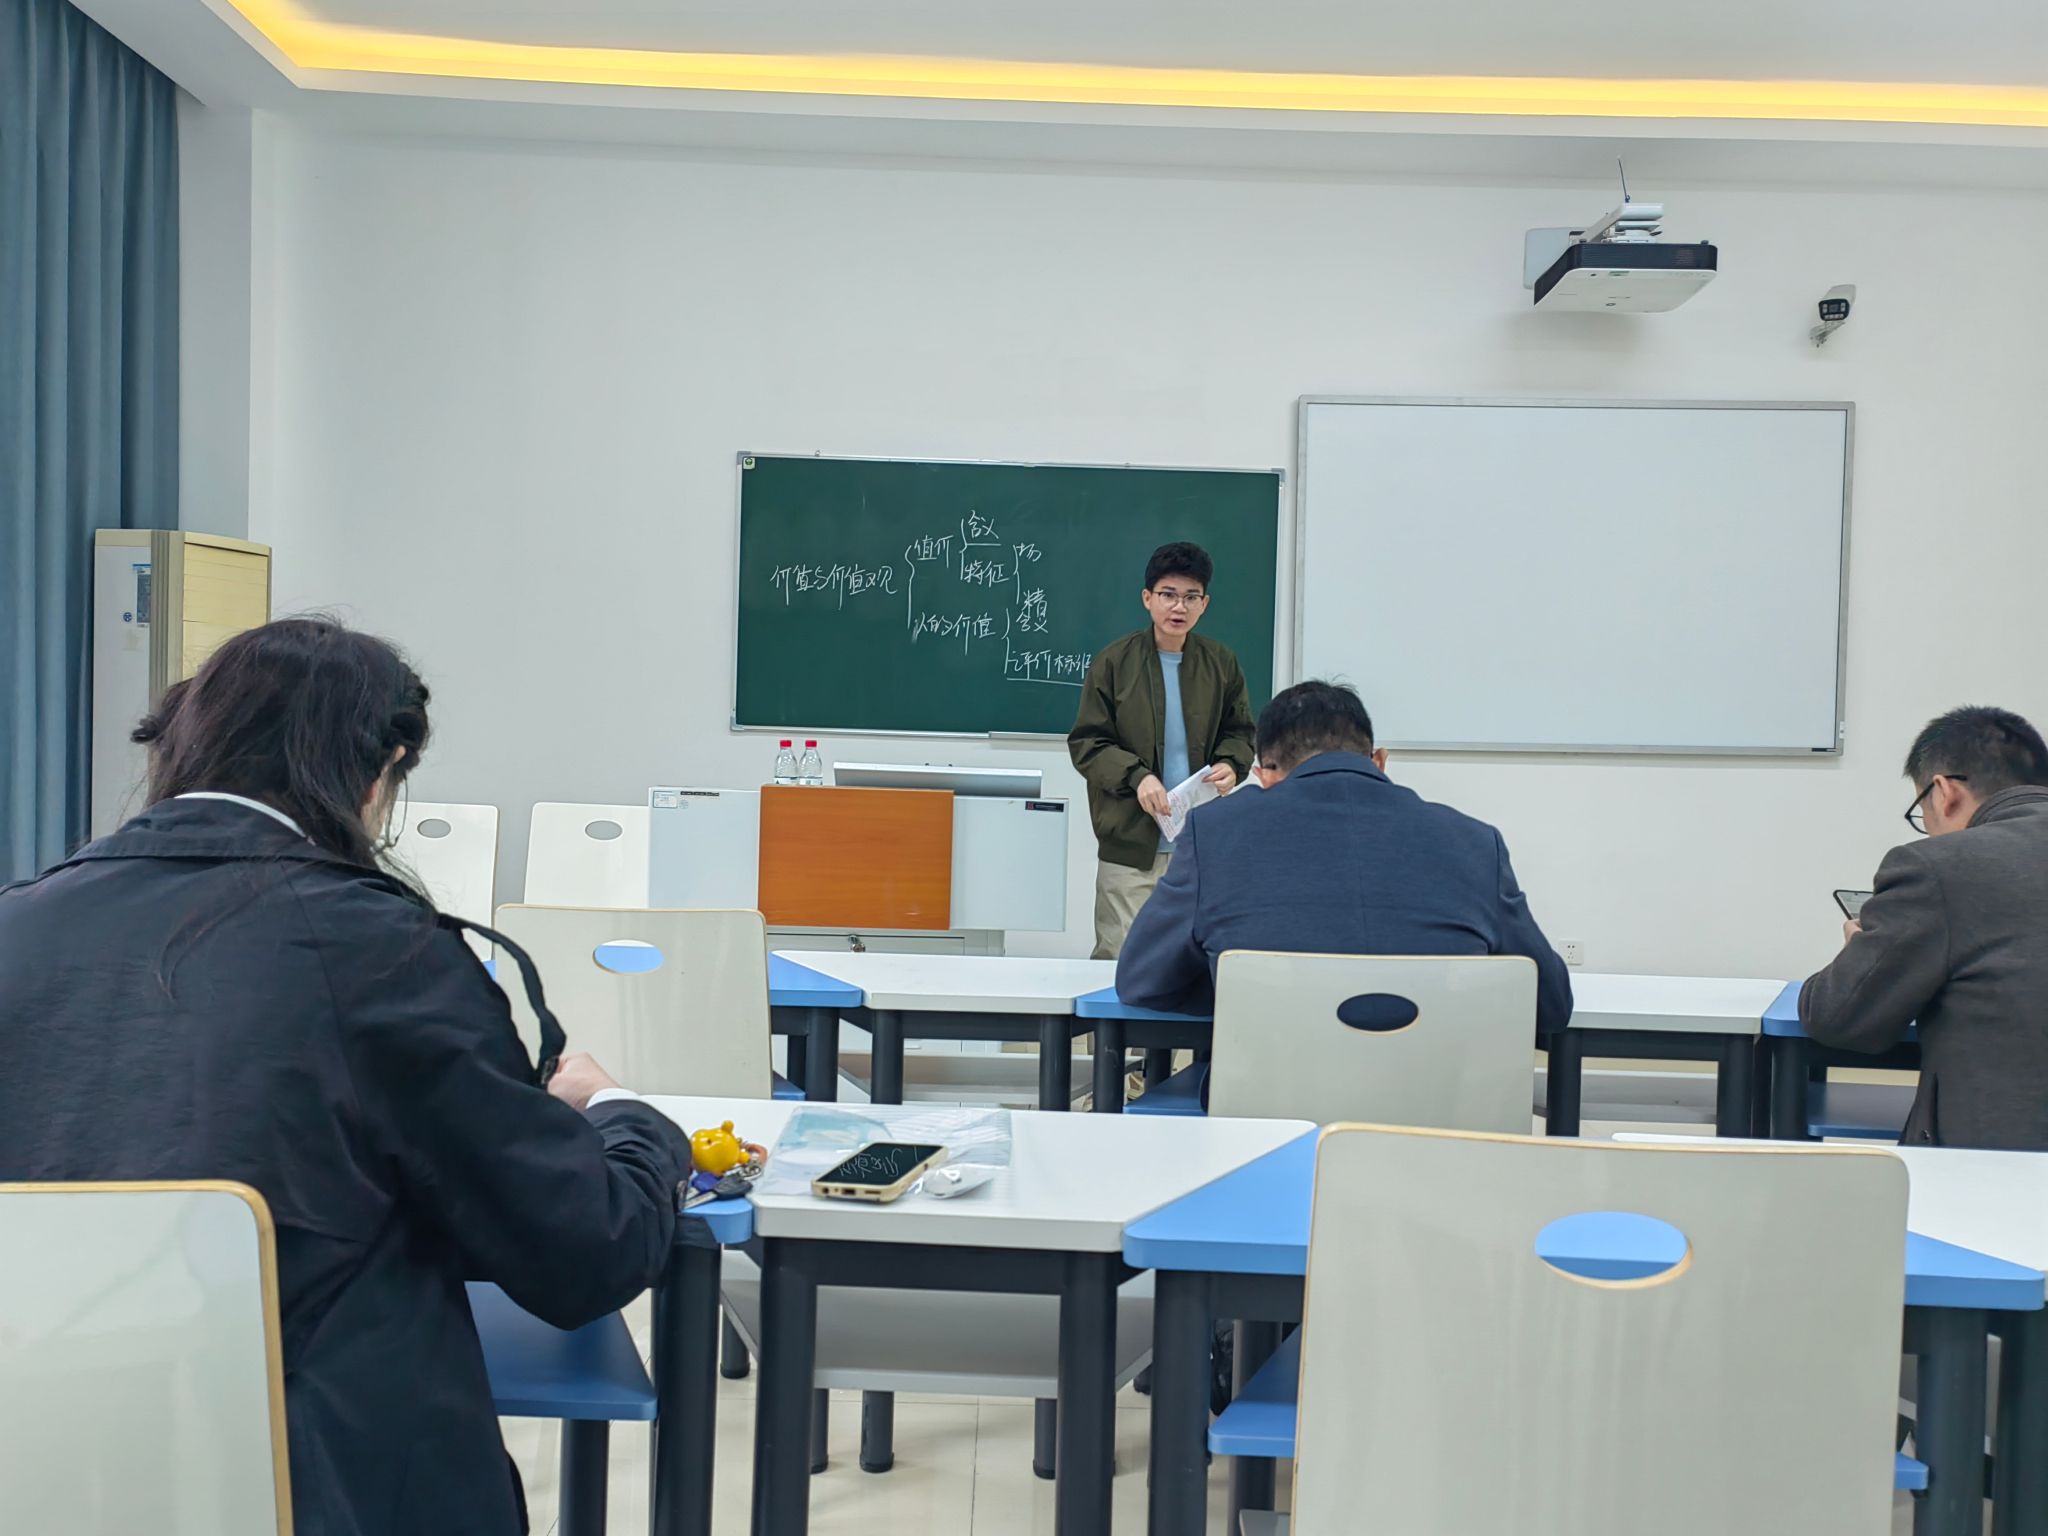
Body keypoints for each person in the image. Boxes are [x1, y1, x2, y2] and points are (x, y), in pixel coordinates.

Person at [0, 619, 694, 1536]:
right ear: (382, 770)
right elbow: (586, 1253)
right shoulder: (385, 953)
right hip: (332, 1486)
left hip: (50, 1476)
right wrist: (623, 1116)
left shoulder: (17, 925)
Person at [1117, 679, 1573, 1034]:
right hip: (1437, 1116)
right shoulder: (1475, 843)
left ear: (1263, 774)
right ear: (1379, 760)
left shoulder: (1214, 833)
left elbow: (1142, 981)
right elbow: (1549, 1006)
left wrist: (1238, 990)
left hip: (1266, 1112)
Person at [1800, 705, 2048, 1149]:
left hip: (1995, 1170)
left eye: (1922, 810)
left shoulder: (1939, 867)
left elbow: (1837, 1018)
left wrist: (1861, 951)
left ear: (1945, 791)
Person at [1067, 542, 1256, 959]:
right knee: (1121, 961)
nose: (1179, 607)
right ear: (1147, 598)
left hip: (1198, 847)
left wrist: (1231, 764)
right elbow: (1088, 743)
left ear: (1204, 604)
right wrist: (1137, 777)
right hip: (1130, 846)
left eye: (1191, 597)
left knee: (1192, 963)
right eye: (1168, 594)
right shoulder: (1114, 663)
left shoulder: (1221, 664)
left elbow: (1240, 732)